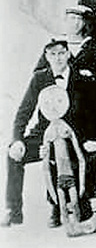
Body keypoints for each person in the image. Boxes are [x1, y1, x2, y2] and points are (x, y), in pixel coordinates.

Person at [3, 36, 88, 227]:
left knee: (61, 153)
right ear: (46, 56)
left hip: (73, 135)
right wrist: (17, 140)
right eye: (52, 54)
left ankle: (58, 207)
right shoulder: (39, 78)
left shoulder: (81, 79)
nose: (57, 58)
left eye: (61, 53)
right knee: (13, 154)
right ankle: (12, 210)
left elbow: (90, 116)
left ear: (68, 54)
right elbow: (23, 113)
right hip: (44, 134)